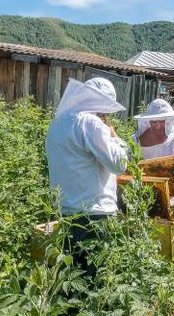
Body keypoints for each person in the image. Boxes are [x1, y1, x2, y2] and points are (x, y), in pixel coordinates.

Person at [45, 77, 128, 273]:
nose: (106, 115)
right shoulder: (90, 123)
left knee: (72, 276)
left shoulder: (57, 123)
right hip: (93, 215)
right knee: (94, 281)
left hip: (65, 212)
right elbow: (119, 164)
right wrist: (116, 138)